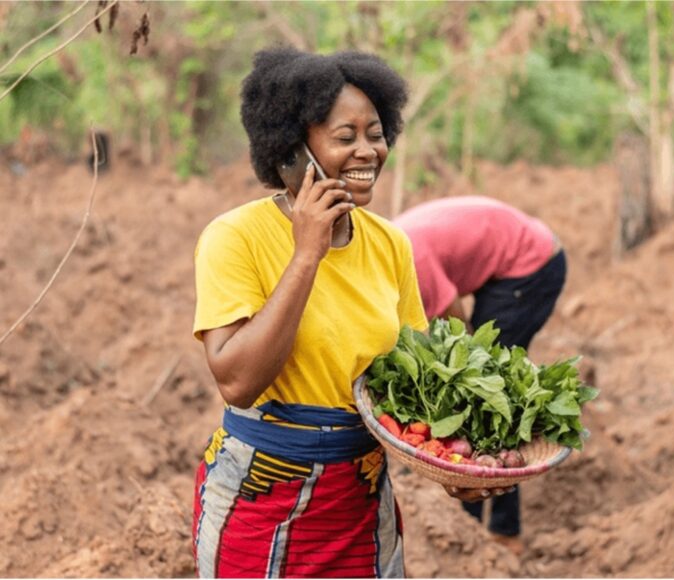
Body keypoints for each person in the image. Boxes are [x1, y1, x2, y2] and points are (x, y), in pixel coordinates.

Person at [190, 47, 502, 579]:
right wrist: (306, 253)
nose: (367, 151)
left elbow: (411, 380)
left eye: (375, 134)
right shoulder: (234, 238)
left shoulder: (390, 245)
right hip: (260, 500)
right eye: (344, 137)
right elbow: (237, 382)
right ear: (292, 152)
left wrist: (454, 461)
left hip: (359, 501)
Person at [394, 195, 567, 554]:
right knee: (480, 393)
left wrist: (465, 373)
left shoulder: (407, 260)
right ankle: (477, 521)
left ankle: (500, 531)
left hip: (533, 264)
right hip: (513, 255)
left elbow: (455, 323)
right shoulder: (392, 246)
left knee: (489, 398)